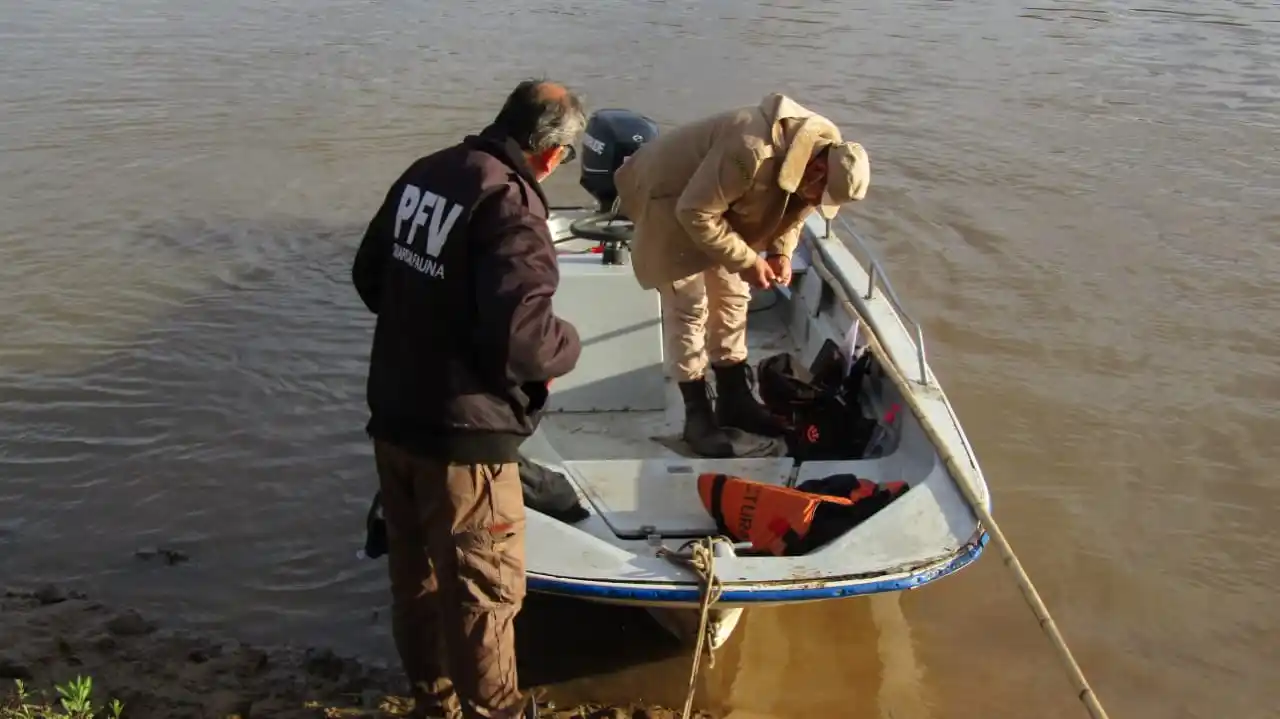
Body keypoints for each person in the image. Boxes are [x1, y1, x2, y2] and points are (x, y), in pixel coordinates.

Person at [350, 79, 585, 719]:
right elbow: (528, 342)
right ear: (551, 154)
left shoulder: (428, 173)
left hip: (395, 420)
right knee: (485, 595)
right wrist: (571, 346)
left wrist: (431, 325)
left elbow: (369, 276)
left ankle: (434, 704)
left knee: (417, 582)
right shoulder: (512, 207)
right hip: (465, 443)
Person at [613, 93, 871, 458]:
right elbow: (695, 212)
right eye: (821, 194)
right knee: (690, 308)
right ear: (816, 171)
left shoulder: (824, 150)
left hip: (719, 205)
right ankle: (697, 416)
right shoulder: (752, 149)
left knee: (733, 298)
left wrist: (780, 252)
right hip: (670, 201)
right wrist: (748, 261)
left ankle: (735, 400)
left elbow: (796, 206)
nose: (818, 202)